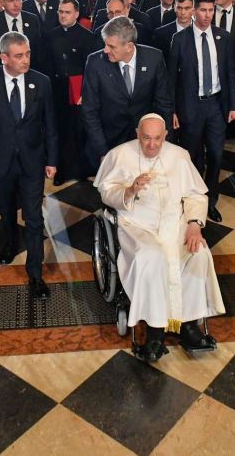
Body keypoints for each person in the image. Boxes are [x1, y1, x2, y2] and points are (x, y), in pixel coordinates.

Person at [94, 113, 225, 362]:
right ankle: (154, 332)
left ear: (166, 135)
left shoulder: (179, 156)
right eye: (146, 138)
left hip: (174, 225)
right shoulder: (119, 155)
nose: (152, 145)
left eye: (157, 139)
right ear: (137, 134)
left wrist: (195, 225)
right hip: (137, 226)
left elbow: (197, 195)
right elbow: (106, 193)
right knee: (151, 257)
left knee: (198, 253)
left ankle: (188, 325)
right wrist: (129, 189)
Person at [0, 32, 57, 299]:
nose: (25, 60)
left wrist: (52, 160)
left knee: (33, 217)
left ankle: (36, 275)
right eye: (19, 56)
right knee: (6, 208)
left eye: (27, 53)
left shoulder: (41, 82)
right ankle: (9, 243)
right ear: (3, 57)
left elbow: (51, 125)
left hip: (32, 161)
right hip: (0, 161)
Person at [168, 0, 235, 222]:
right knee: (193, 158)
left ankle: (210, 202)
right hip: (191, 107)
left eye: (211, 10)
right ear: (194, 11)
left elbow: (230, 73)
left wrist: (234, 105)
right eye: (203, 10)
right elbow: (171, 78)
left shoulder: (224, 37)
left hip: (216, 106)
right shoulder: (180, 40)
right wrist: (172, 111)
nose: (208, 15)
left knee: (217, 155)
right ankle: (193, 203)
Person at [81, 16, 172, 164]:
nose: (105, 50)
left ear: (129, 46)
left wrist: (164, 142)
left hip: (144, 142)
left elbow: (164, 104)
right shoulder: (95, 62)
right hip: (109, 143)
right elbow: (89, 110)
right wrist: (103, 151)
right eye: (106, 44)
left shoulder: (154, 58)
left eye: (112, 46)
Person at [46, 0, 97, 184]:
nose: (63, 15)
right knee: (59, 129)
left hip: (78, 89)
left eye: (67, 12)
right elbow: (47, 64)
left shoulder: (88, 37)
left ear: (76, 14)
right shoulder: (50, 35)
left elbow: (90, 68)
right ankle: (62, 169)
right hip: (57, 88)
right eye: (60, 11)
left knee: (79, 130)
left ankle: (81, 168)